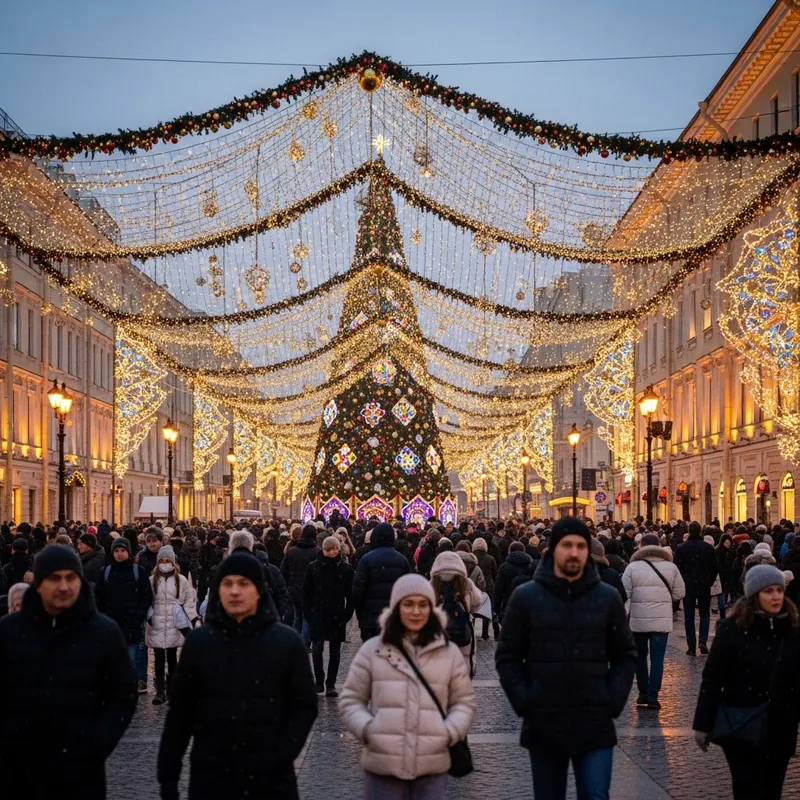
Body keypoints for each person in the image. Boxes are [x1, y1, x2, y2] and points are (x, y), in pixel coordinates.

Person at [496, 517, 637, 800]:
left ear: (588, 551)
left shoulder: (607, 598)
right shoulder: (526, 598)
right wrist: (526, 700)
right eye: (567, 545)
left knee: (596, 795)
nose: (573, 552)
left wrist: (612, 699)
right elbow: (507, 656)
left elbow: (625, 654)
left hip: (595, 720)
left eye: (580, 546)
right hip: (544, 721)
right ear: (552, 550)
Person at [158, 552, 318, 800]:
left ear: (259, 590)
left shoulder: (287, 642)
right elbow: (180, 714)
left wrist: (282, 752)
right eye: (227, 584)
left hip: (271, 778)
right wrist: (168, 777)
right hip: (211, 775)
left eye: (244, 584)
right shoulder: (199, 643)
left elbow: (305, 706)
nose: (235, 591)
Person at [0, 544, 137, 799]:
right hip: (17, 771)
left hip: (82, 773)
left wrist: (97, 743)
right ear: (38, 583)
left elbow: (122, 695)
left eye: (71, 578)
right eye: (54, 578)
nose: (63, 587)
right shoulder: (8, 632)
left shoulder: (103, 632)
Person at [339, 574, 476, 800]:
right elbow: (351, 699)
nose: (415, 611)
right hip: (384, 763)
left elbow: (464, 702)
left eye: (423, 604)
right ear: (396, 608)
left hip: (431, 763)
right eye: (408, 604)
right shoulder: (373, 650)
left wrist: (449, 732)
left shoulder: (448, 652)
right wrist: (367, 729)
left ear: (431, 609)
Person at [693, 565, 800, 800]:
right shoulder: (732, 629)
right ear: (754, 596)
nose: (775, 596)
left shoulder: (793, 628)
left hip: (780, 725)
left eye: (779, 590)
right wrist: (702, 723)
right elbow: (712, 678)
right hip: (741, 723)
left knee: (772, 791)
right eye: (768, 591)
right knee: (747, 791)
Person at [621, 532, 686, 709]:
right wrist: (665, 598)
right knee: (657, 658)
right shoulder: (670, 567)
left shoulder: (632, 568)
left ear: (641, 546)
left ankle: (642, 693)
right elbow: (680, 593)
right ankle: (652, 696)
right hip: (661, 622)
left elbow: (623, 594)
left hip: (638, 621)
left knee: (640, 657)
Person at [94, 537, 154, 694]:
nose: (119, 554)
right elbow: (98, 596)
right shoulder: (106, 572)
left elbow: (146, 596)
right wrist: (103, 616)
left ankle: (131, 686)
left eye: (123, 551)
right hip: (111, 623)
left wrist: (139, 614)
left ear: (128, 552)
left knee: (132, 659)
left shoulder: (138, 571)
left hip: (132, 623)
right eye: (116, 551)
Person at [303, 536, 354, 697]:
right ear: (323, 550)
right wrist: (308, 614)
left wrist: (347, 613)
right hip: (318, 612)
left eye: (334, 549)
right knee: (317, 649)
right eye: (328, 549)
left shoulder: (345, 569)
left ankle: (330, 683)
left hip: (337, 612)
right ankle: (319, 681)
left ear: (338, 548)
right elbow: (306, 593)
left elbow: (350, 594)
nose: (332, 552)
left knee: (335, 650)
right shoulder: (313, 567)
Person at [146, 545, 197, 705]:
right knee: (159, 658)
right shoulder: (151, 579)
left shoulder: (180, 580)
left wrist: (191, 617)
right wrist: (150, 616)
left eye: (168, 560)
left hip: (175, 621)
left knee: (173, 658)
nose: (165, 562)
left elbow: (189, 599)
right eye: (162, 560)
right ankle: (160, 691)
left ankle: (172, 689)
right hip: (158, 621)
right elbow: (146, 599)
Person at [352, 521, 411, 642]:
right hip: (394, 617)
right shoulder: (402, 560)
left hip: (371, 618)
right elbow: (409, 590)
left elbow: (357, 590)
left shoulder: (366, 560)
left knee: (371, 654)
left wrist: (360, 614)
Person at [430, 551, 483, 675]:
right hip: (462, 632)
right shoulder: (467, 584)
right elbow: (477, 602)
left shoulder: (432, 584)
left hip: (438, 633)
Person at [675, 520, 718, 656]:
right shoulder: (708, 548)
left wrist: (683, 580)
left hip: (688, 584)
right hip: (704, 584)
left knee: (689, 615)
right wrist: (709, 581)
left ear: (688, 532)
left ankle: (691, 645)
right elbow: (715, 568)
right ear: (700, 531)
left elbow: (677, 567)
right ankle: (703, 641)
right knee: (705, 614)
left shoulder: (682, 548)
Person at [280, 523, 320, 646]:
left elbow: (283, 571)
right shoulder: (317, 552)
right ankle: (303, 644)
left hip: (295, 589)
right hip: (311, 590)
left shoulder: (292, 551)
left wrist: (289, 585)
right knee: (307, 618)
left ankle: (296, 643)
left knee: (298, 617)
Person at [494, 541, 533, 623]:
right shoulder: (531, 566)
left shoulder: (504, 567)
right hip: (528, 606)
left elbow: (499, 590)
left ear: (510, 551)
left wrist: (496, 609)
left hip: (509, 605)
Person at [472, 537, 499, 640]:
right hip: (488, 585)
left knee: (473, 608)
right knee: (487, 608)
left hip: (475, 585)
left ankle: (472, 630)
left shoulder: (473, 558)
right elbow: (495, 573)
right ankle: (485, 632)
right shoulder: (490, 558)